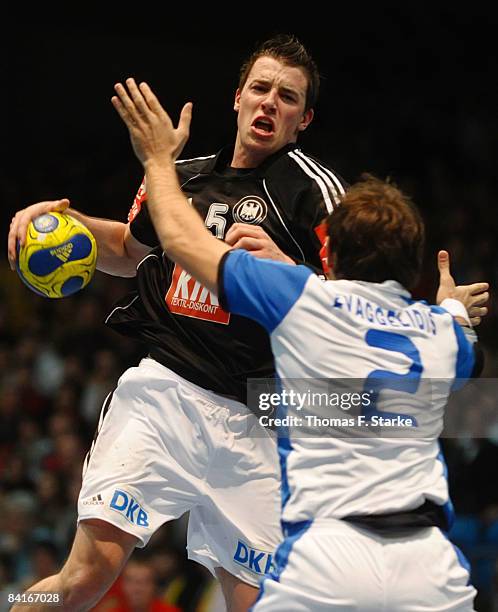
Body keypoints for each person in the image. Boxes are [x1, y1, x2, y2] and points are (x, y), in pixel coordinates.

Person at [107, 77, 490, 610]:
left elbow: (179, 239)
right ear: (411, 267)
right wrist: (452, 310)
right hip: (430, 564)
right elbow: (470, 383)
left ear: (334, 255)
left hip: (328, 556)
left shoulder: (303, 300)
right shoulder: (442, 332)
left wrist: (156, 159)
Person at [8, 35, 349, 611]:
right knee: (84, 580)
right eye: (260, 89)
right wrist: (61, 222)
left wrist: (291, 273)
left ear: (303, 119)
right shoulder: (181, 177)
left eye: (287, 98)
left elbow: (354, 308)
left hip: (258, 420)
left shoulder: (317, 195)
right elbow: (128, 247)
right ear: (237, 97)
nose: (270, 103)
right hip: (165, 396)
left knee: (263, 605)